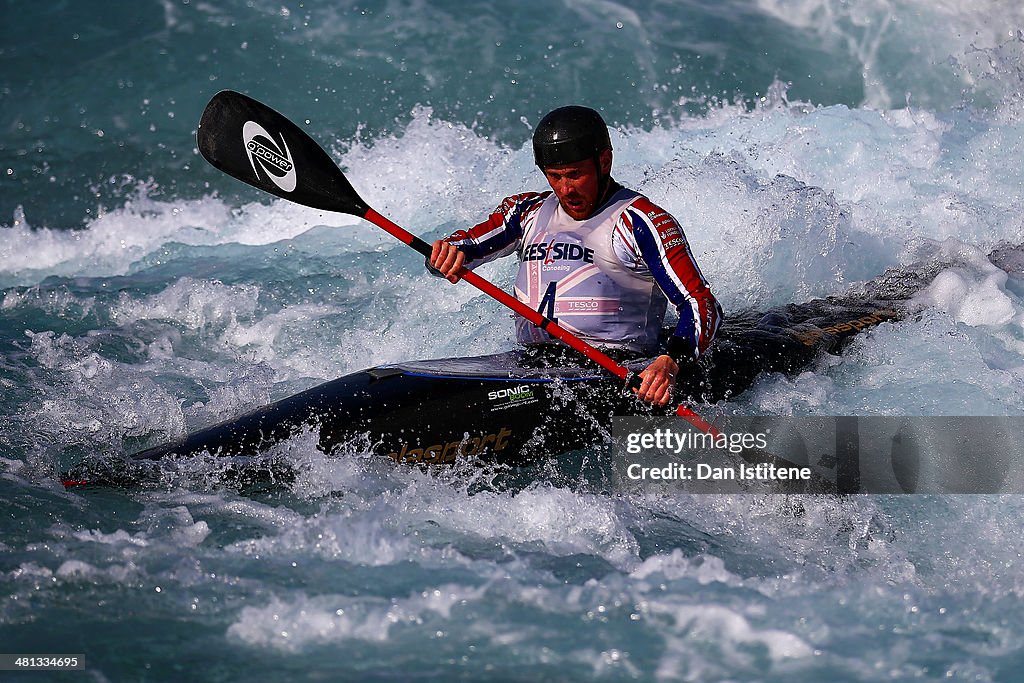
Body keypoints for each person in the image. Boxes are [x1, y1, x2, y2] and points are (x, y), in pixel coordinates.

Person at [428, 105, 722, 406]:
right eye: (554, 177)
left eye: (575, 175)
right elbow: (464, 247)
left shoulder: (641, 222)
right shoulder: (524, 212)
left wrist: (670, 363)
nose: (565, 189)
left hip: (615, 367)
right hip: (534, 363)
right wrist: (444, 255)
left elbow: (700, 303)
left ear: (604, 161)